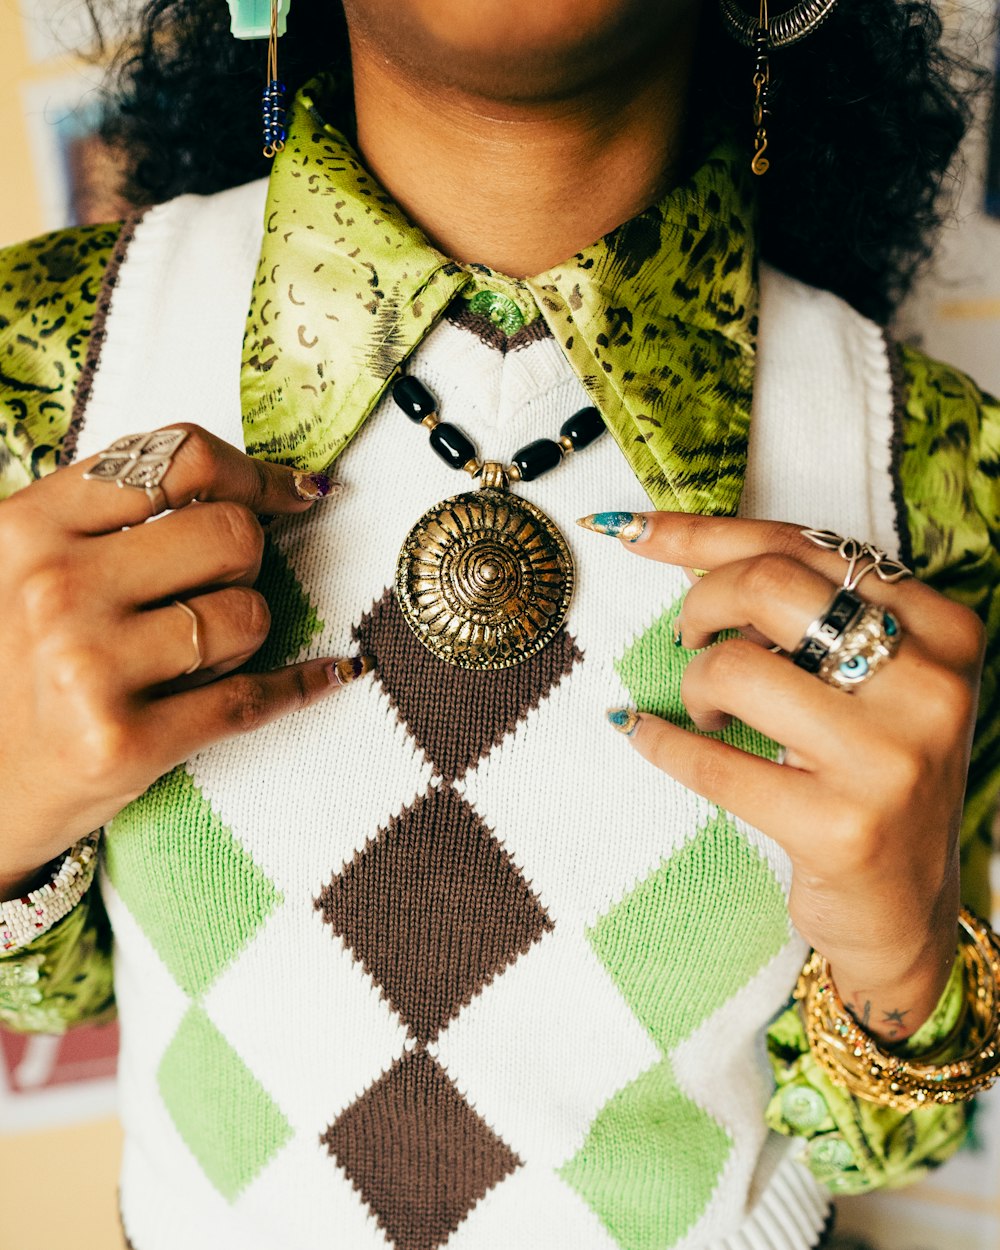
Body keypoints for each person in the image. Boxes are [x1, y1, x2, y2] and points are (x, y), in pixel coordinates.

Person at [1, 0, 998, 1247]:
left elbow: (879, 1133)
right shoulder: (41, 367)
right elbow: (58, 997)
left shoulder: (940, 468)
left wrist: (904, 967)